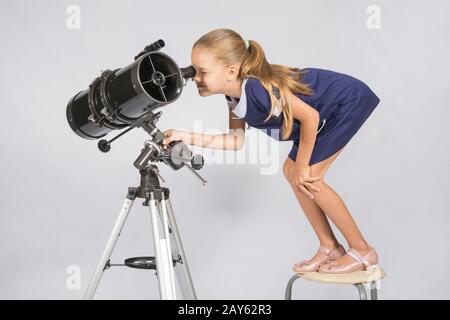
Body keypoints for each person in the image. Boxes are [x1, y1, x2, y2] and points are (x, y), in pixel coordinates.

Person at [162, 28, 381, 274]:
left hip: (347, 102)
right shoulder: (233, 98)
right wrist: (185, 136)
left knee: (309, 177)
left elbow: (310, 116)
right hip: (325, 116)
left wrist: (303, 166)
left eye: (202, 72)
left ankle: (362, 250)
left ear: (231, 71)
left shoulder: (257, 89)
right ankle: (330, 247)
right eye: (194, 71)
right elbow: (236, 141)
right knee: (291, 171)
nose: (195, 78)